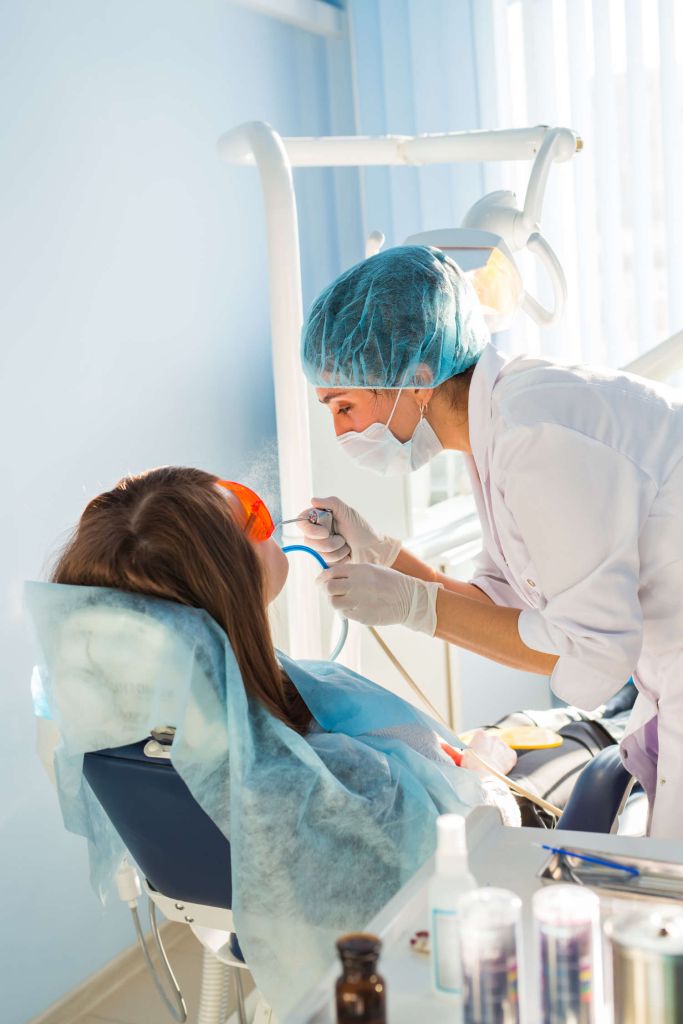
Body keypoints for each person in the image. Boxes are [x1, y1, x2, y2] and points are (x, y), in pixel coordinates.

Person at [27, 466, 517, 1014]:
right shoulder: (322, 782)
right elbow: (457, 844)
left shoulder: (113, 731)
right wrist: (485, 774)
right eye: (251, 518)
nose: (269, 521)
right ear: (228, 582)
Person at [299, 244, 683, 840]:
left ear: (417, 377)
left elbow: (593, 657)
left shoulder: (534, 436)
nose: (340, 430)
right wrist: (384, 556)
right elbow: (503, 605)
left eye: (344, 405)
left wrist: (413, 606)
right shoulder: (497, 428)